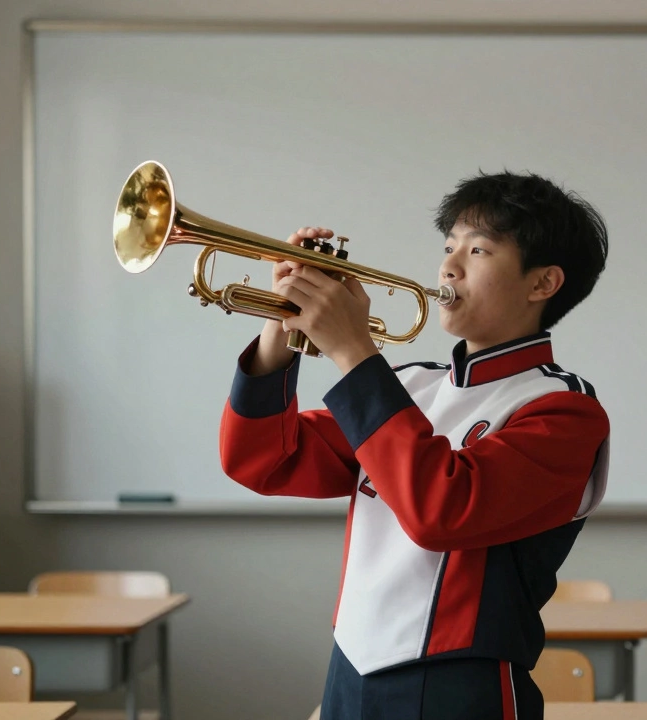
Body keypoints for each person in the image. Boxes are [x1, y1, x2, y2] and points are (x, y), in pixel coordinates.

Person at [220, 171, 610, 719]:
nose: (449, 265)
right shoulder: (406, 384)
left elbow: (442, 513)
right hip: (349, 667)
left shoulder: (563, 409)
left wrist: (354, 350)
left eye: (478, 250)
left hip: (459, 686)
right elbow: (264, 460)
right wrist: (280, 329)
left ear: (542, 284)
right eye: (449, 246)